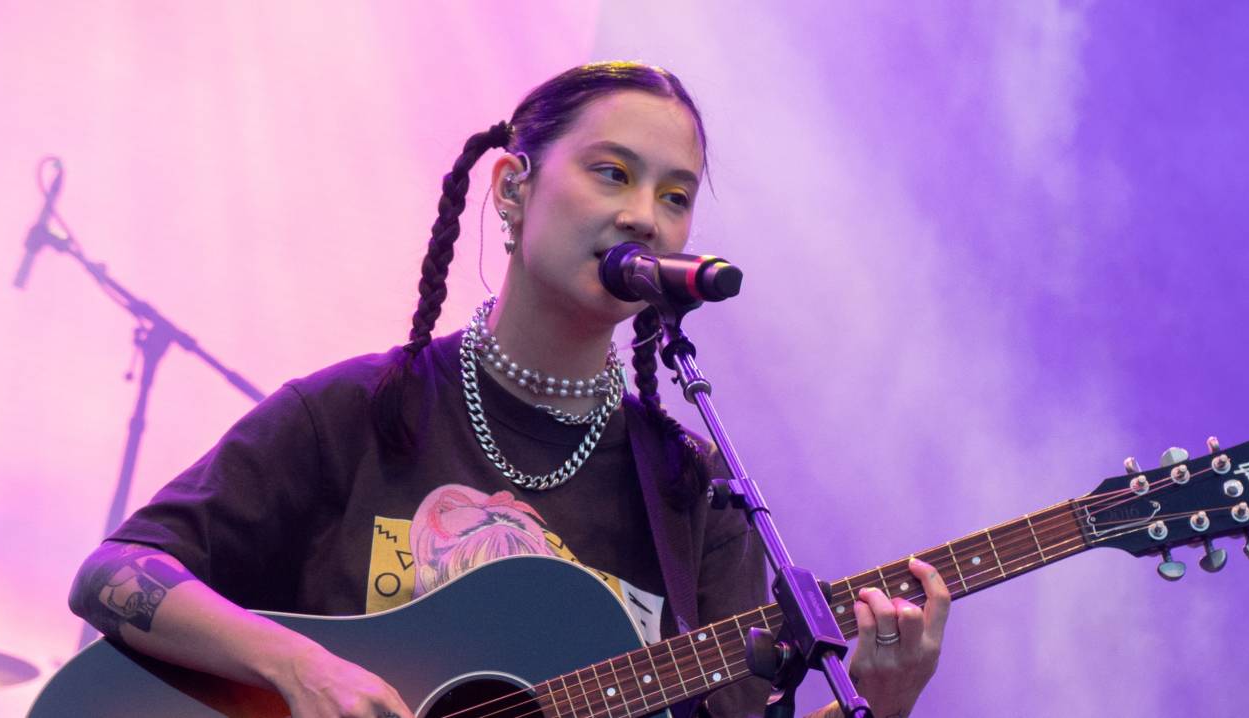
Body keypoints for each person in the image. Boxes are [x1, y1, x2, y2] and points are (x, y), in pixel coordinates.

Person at [68, 61, 950, 718]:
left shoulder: (694, 490)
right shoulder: (355, 413)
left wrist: (881, 707)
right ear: (513, 187)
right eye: (613, 172)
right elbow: (113, 573)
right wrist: (301, 667)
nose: (644, 215)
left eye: (675, 195)